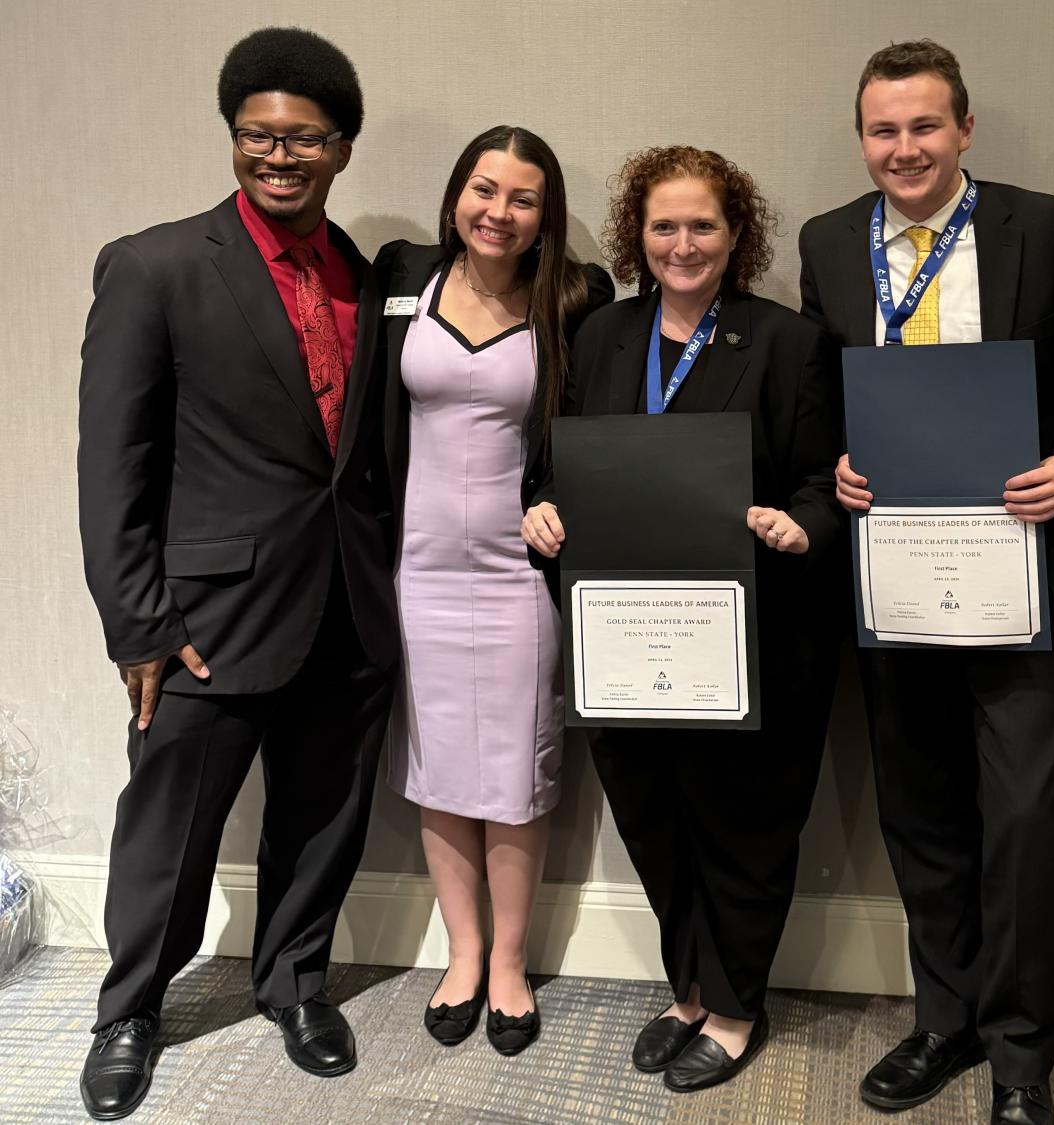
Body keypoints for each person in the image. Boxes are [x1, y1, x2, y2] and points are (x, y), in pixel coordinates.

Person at [75, 28, 398, 1120]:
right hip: (205, 615)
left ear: (340, 150)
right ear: (233, 139)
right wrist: (138, 626)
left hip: (349, 606)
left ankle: (294, 983)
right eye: (260, 134)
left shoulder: (366, 274)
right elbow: (111, 461)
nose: (281, 155)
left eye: (305, 138)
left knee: (322, 816)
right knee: (169, 830)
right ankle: (130, 1012)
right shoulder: (155, 264)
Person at [798, 40, 1054, 1125]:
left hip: (1026, 570)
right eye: (884, 129)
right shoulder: (827, 242)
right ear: (862, 137)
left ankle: (1022, 1061)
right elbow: (824, 393)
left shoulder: (1051, 225)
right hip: (899, 578)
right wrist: (830, 460)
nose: (904, 148)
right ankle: (946, 1018)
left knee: (1022, 827)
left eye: (925, 126)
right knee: (922, 815)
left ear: (964, 129)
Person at [521, 145, 841, 1093]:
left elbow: (827, 479)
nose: (683, 242)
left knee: (742, 825)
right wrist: (539, 505)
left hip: (749, 637)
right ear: (637, 233)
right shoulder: (604, 337)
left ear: (736, 234)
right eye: (664, 225)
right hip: (621, 635)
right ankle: (688, 987)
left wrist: (801, 522)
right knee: (654, 821)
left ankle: (736, 1005)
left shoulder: (785, 341)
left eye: (703, 224)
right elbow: (559, 464)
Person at [375, 125, 613, 1055]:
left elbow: (593, 424)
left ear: (544, 216)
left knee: (516, 769)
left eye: (523, 198)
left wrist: (555, 498)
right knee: (438, 766)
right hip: (416, 568)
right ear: (455, 194)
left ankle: (510, 961)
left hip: (519, 575)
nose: (499, 212)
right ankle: (463, 952)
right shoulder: (404, 276)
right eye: (484, 189)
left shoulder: (576, 299)